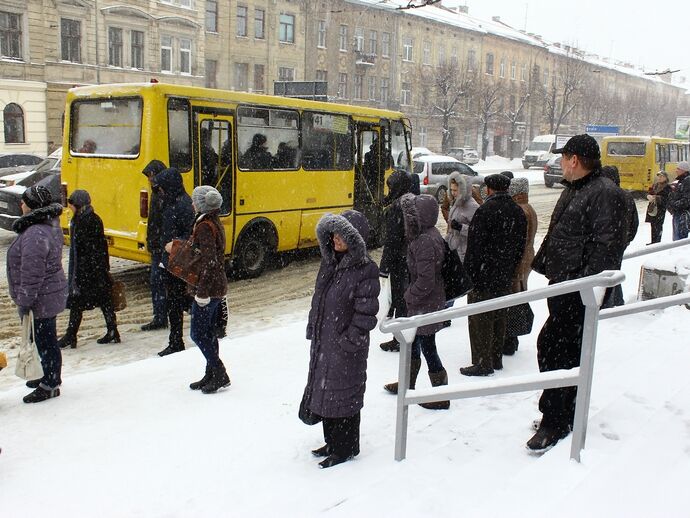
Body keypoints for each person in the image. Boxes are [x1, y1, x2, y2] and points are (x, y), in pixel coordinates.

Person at [529, 134, 627, 452]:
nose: (559, 163)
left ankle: (554, 421)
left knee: (557, 351)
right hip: (564, 284)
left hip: (576, 291)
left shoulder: (603, 193)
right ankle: (561, 412)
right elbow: (564, 233)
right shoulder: (579, 189)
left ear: (574, 160)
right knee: (559, 350)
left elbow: (606, 246)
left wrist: (585, 287)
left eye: (562, 158)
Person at [304, 210, 380, 468]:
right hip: (325, 342)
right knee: (326, 392)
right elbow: (319, 300)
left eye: (342, 234)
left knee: (344, 396)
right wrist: (314, 326)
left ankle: (345, 448)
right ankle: (332, 442)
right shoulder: (330, 263)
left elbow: (366, 314)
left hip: (346, 348)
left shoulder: (365, 269)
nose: (335, 238)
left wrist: (349, 340)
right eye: (333, 233)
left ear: (354, 238)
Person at [383, 193, 450, 410]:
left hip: (425, 303)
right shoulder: (430, 234)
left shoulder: (423, 240)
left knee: (427, 346)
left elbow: (425, 280)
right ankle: (407, 384)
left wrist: (407, 296)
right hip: (427, 302)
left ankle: (441, 395)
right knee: (413, 344)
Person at [460, 174, 527, 376]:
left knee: (481, 320)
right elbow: (519, 246)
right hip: (504, 275)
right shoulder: (517, 211)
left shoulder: (485, 211)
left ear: (489, 189)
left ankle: (482, 362)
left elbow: (474, 247)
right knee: (499, 317)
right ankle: (496, 358)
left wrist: (470, 275)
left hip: (483, 275)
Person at [7, 185, 68, 403]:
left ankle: (50, 384)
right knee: (43, 338)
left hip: (41, 297)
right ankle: (46, 375)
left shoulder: (35, 232)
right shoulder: (47, 225)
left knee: (45, 340)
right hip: (48, 293)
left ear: (32, 205)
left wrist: (25, 301)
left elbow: (32, 272)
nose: (21, 204)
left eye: (24, 201)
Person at [180, 186, 230, 393]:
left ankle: (219, 373)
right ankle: (211, 373)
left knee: (198, 333)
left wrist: (202, 293)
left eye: (195, 201)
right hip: (216, 286)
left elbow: (209, 262)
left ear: (201, 204)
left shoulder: (204, 226)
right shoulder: (213, 222)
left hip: (208, 289)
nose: (192, 204)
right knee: (208, 333)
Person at [57, 190, 120, 348]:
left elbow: (89, 249)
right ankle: (112, 331)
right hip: (96, 270)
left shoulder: (85, 221)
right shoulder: (88, 218)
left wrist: (83, 273)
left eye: (71, 205)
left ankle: (71, 335)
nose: (70, 208)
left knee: (77, 303)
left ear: (78, 205)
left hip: (89, 271)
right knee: (104, 301)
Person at [151, 167, 195, 357]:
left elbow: (189, 236)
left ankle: (176, 341)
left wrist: (174, 246)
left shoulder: (182, 205)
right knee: (177, 302)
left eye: (161, 187)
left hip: (178, 262)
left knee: (177, 303)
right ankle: (176, 340)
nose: (159, 191)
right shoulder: (171, 202)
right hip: (170, 261)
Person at [379, 170, 413, 352]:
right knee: (405, 300)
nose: (389, 189)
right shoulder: (412, 201)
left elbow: (392, 241)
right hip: (411, 258)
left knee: (400, 300)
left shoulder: (397, 208)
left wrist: (384, 268)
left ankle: (400, 339)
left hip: (400, 261)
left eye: (391, 186)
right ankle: (404, 336)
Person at [503, 177, 538, 356]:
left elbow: (518, 241)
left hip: (519, 263)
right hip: (526, 260)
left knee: (513, 301)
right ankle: (512, 339)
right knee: (518, 298)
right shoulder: (529, 208)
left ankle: (510, 340)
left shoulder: (520, 211)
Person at [600, 165, 638, 308]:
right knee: (615, 271)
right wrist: (625, 240)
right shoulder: (626, 195)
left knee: (606, 275)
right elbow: (634, 223)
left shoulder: (604, 196)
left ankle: (607, 305)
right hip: (619, 243)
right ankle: (617, 301)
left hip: (606, 244)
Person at [141, 160, 168, 331]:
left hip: (161, 247)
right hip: (157, 246)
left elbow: (163, 224)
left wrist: (158, 242)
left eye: (151, 175)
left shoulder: (163, 195)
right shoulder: (157, 193)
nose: (150, 179)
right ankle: (160, 316)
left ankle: (161, 317)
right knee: (158, 283)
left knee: (159, 282)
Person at [444, 172, 479, 262]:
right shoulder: (456, 203)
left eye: (455, 190)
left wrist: (460, 227)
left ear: (464, 189)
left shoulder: (472, 206)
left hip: (464, 252)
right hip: (454, 250)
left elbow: (477, 230)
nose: (453, 193)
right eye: (451, 190)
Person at [645, 171, 671, 244]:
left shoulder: (667, 187)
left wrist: (656, 198)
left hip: (660, 209)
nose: (659, 178)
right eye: (659, 176)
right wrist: (648, 196)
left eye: (661, 176)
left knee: (658, 225)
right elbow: (649, 193)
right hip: (653, 208)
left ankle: (657, 242)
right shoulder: (655, 185)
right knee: (653, 225)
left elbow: (667, 199)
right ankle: (653, 241)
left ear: (665, 178)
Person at [667, 161, 690, 241]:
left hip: (682, 214)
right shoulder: (682, 181)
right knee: (678, 238)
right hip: (679, 212)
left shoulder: (687, 182)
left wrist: (674, 205)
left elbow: (686, 199)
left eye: (678, 169)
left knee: (679, 240)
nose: (676, 170)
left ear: (684, 170)